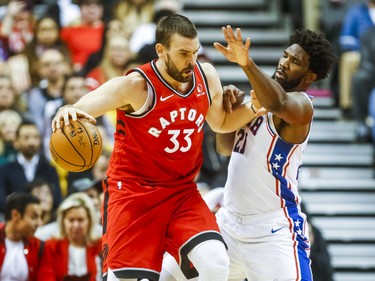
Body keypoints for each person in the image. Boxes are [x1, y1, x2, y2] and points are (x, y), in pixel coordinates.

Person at [51, 14, 261, 281]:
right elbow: (80, 108)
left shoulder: (205, 75)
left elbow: (220, 122)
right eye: (183, 53)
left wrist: (253, 108)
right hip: (133, 195)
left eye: (195, 52)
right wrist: (66, 110)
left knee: (216, 264)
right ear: (161, 50)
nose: (191, 61)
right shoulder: (135, 86)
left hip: (181, 192)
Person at [208, 26, 337, 281]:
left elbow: (278, 103)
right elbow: (225, 148)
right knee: (171, 274)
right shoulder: (258, 101)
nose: (285, 63)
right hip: (229, 224)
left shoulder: (302, 106)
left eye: (295, 62)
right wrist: (231, 108)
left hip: (272, 230)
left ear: (309, 76)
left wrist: (246, 64)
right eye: (285, 56)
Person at [44, 192, 102, 281]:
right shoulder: (51, 246)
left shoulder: (99, 245)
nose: (76, 225)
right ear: (63, 222)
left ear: (89, 221)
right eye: (71, 220)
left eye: (80, 220)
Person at [0, 192, 53, 280]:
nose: (40, 223)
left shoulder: (40, 247)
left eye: (40, 217)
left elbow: (47, 276)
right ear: (15, 215)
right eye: (34, 217)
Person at [338, 0, 375, 114]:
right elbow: (345, 38)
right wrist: (364, 47)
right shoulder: (356, 12)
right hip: (363, 54)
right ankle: (347, 106)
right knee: (348, 59)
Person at [351, 26, 375, 142]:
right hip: (372, 73)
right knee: (359, 78)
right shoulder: (369, 34)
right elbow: (366, 61)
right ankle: (363, 123)